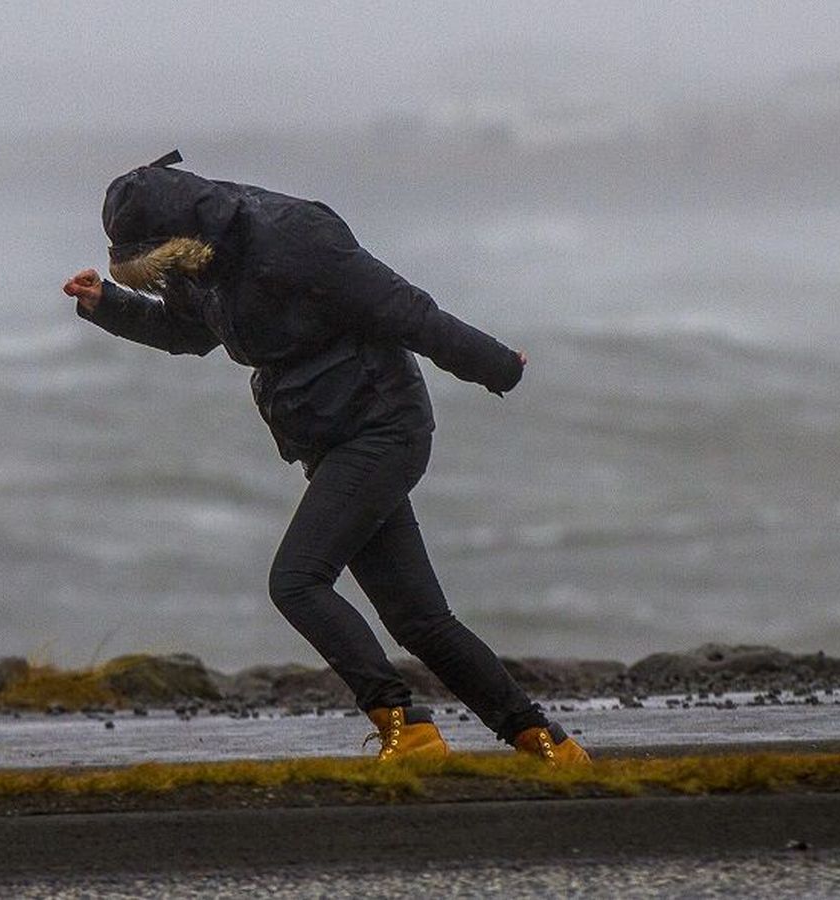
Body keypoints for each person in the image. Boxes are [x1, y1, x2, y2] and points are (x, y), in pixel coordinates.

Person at [62, 151, 589, 765]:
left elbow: (407, 312)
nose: (161, 277)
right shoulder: (199, 265)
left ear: (181, 233)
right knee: (418, 620)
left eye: (156, 268)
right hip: (328, 437)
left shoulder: (295, 236)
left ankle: (408, 729)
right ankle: (545, 745)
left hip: (383, 424)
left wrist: (496, 365)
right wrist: (110, 306)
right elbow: (192, 334)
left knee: (297, 580)